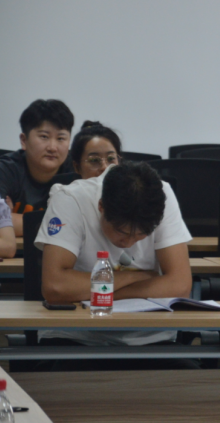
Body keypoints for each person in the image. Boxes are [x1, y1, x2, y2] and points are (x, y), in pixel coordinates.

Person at [36, 161, 193, 351]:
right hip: (75, 336)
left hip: (149, 337)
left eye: (142, 234)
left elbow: (180, 286)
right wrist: (136, 278)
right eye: (121, 232)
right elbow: (55, 286)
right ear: (101, 206)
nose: (129, 242)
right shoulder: (70, 199)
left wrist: (99, 295)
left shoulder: (163, 196)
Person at [0, 99, 74, 236]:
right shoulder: (6, 170)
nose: (52, 147)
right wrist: (61, 225)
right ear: (24, 141)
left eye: (60, 138)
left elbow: (85, 224)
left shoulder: (77, 171)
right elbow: (71, 226)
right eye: (44, 137)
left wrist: (9, 221)